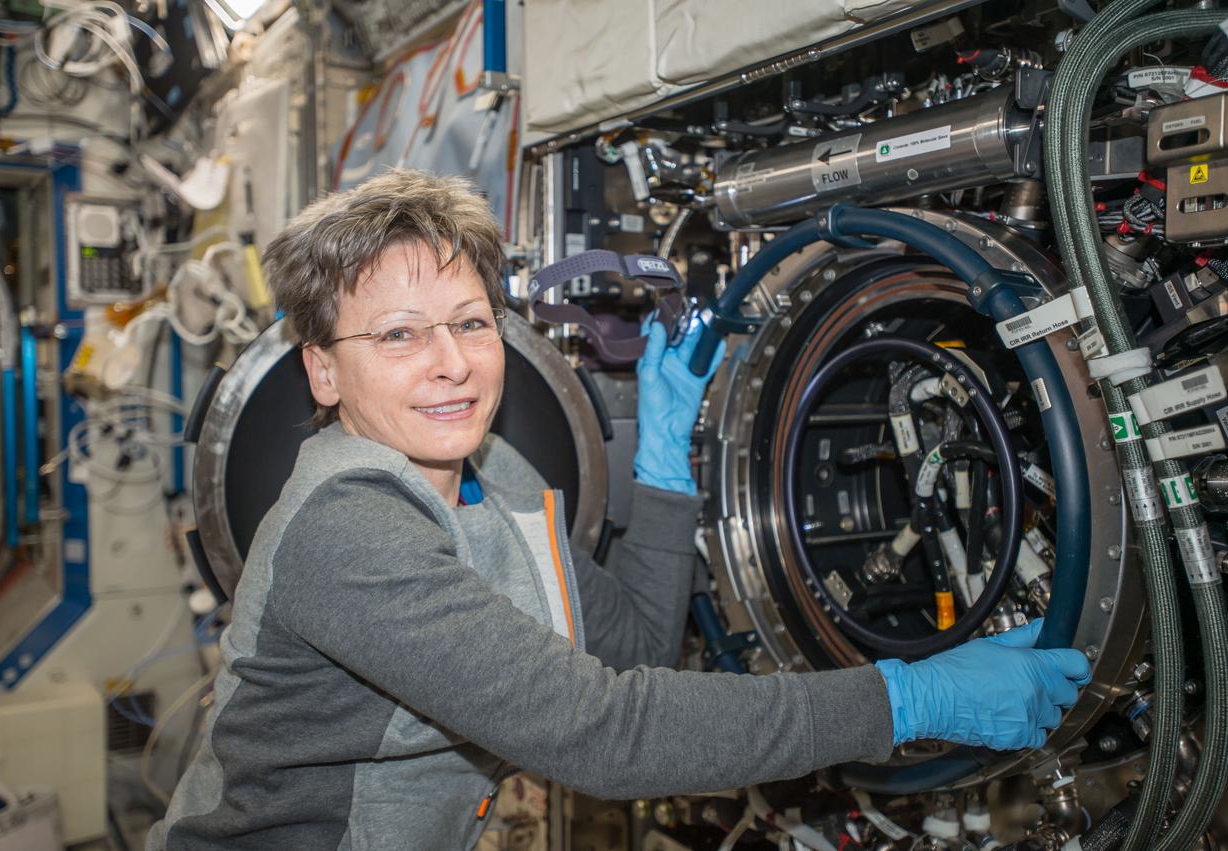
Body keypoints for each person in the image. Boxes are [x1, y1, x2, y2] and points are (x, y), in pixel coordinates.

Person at [149, 168, 1091, 850]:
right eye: (397, 334)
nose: (450, 362)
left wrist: (664, 469)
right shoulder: (348, 533)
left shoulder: (500, 473)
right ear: (321, 367)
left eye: (471, 323)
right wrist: (908, 698)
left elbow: (633, 642)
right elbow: (604, 733)